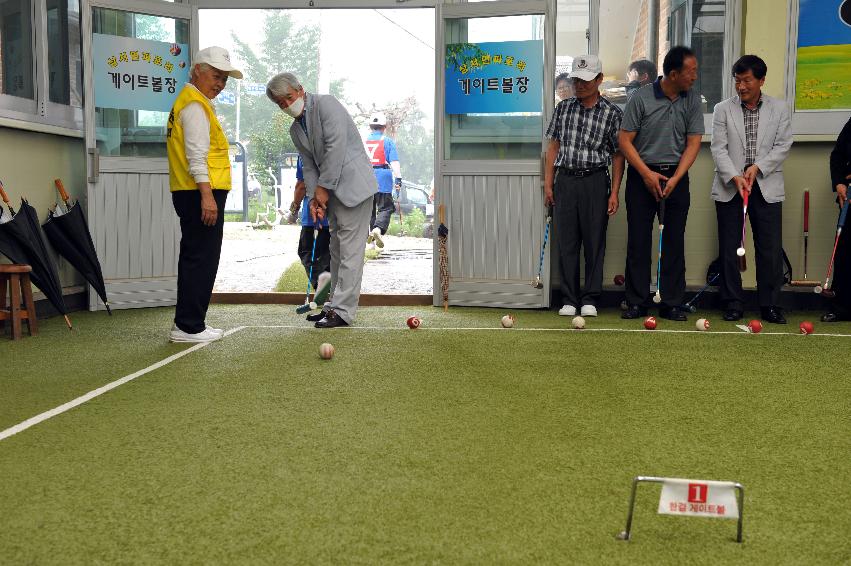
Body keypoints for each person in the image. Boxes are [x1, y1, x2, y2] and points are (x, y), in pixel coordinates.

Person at [266, 72, 377, 328]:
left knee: (349, 253)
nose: (286, 105)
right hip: (332, 193)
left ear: (300, 89)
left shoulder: (327, 104)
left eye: (288, 98)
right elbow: (309, 167)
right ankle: (331, 307)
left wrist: (323, 190)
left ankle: (343, 311)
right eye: (280, 103)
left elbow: (335, 148)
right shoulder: (296, 129)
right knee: (336, 251)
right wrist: (314, 200)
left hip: (354, 188)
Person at [619, 46, 704, 321]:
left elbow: (693, 142)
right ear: (673, 73)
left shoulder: (691, 100)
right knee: (639, 240)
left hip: (676, 176)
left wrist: (677, 177)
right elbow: (624, 141)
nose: (695, 76)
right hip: (642, 176)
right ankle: (636, 301)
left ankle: (671, 303)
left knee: (673, 241)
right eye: (690, 72)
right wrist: (645, 173)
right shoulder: (640, 98)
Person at [166, 46, 243, 343]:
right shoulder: (195, 106)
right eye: (216, 76)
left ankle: (191, 322)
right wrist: (207, 197)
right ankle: (188, 326)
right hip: (200, 193)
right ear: (197, 70)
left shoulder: (192, 102)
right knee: (201, 258)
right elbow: (196, 157)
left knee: (197, 256)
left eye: (224, 79)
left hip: (193, 192)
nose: (220, 84)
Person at [710, 55, 792, 324]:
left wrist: (758, 167)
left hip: (766, 185)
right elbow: (718, 148)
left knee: (769, 249)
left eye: (747, 81)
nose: (741, 86)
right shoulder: (723, 109)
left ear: (761, 80)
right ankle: (733, 303)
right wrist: (734, 176)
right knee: (730, 247)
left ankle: (769, 305)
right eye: (737, 81)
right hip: (731, 186)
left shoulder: (779, 109)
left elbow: (782, 146)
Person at [544, 55, 624, 317]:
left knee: (594, 241)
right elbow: (553, 147)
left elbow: (617, 154)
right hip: (565, 180)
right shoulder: (563, 108)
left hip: (595, 180)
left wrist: (614, 192)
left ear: (599, 80)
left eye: (586, 80)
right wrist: (549, 183)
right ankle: (569, 298)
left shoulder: (612, 113)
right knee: (566, 242)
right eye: (576, 80)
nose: (580, 85)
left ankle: (590, 297)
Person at [822, 117, 851, 322]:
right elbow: (838, 155)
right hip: (849, 195)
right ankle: (842, 307)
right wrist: (839, 182)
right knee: (845, 252)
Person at [290, 155, 330, 288]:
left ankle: (320, 284)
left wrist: (294, 210)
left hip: (311, 216)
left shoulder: (304, 154)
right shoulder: (334, 149)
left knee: (307, 252)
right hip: (334, 215)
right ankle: (328, 287)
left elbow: (301, 186)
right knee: (329, 255)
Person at [364, 112, 402, 248]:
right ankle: (377, 229)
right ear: (384, 127)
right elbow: (395, 163)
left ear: (370, 127)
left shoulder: (364, 142)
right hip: (383, 178)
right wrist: (398, 179)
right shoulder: (387, 142)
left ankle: (371, 245)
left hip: (365, 177)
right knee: (386, 207)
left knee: (369, 210)